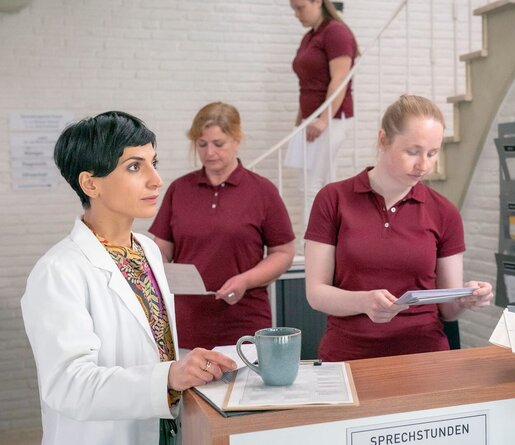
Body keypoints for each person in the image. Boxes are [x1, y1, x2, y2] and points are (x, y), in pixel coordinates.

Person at [21, 111, 237, 445]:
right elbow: (68, 385)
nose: (156, 179)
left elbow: (153, 349)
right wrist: (169, 375)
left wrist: (184, 368)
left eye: (154, 162)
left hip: (161, 431)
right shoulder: (57, 271)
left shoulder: (147, 250)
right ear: (91, 183)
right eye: (135, 166)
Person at [304, 94, 494, 361]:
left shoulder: (444, 212)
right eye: (412, 152)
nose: (424, 165)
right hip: (347, 357)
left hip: (425, 360)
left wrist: (465, 299)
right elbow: (316, 293)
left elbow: (448, 310)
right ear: (383, 140)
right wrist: (363, 302)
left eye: (432, 153)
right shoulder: (333, 199)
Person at [149, 102, 295, 350]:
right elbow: (161, 248)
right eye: (202, 144)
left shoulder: (262, 191)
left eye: (219, 144)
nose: (210, 152)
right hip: (187, 322)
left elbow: (283, 253)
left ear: (236, 140)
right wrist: (161, 267)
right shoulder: (179, 189)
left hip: (244, 322)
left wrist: (245, 280)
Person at [285, 0, 359, 190]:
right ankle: (332, 220)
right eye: (294, 9)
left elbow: (340, 80)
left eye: (300, 8)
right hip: (313, 121)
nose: (296, 15)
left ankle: (311, 221)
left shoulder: (336, 32)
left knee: (312, 185)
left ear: (318, 2)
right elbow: (307, 84)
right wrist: (299, 122)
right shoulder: (310, 37)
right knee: (322, 183)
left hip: (332, 120)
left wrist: (324, 120)